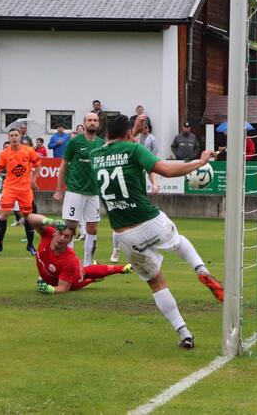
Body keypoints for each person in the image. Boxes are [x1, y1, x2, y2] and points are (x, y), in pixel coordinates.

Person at [90, 114, 224, 349]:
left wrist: (135, 131)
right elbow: (167, 170)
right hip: (148, 220)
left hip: (124, 235)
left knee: (156, 283)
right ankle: (201, 269)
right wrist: (200, 162)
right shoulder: (134, 151)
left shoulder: (95, 156)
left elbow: (115, 147)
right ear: (130, 133)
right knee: (178, 241)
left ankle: (184, 333)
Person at [27, 214, 133, 294]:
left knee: (84, 276)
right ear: (55, 231)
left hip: (73, 281)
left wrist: (49, 289)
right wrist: (50, 222)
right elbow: (30, 218)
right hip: (52, 277)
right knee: (86, 271)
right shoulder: (48, 233)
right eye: (60, 234)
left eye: (66, 237)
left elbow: (63, 287)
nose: (61, 238)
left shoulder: (69, 260)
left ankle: (120, 269)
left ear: (70, 240)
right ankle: (117, 268)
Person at [54, 112, 103, 266]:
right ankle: (70, 262)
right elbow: (63, 166)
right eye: (89, 120)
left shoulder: (102, 143)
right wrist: (59, 189)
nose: (92, 122)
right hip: (75, 191)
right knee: (70, 228)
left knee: (93, 228)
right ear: (84, 123)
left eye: (95, 120)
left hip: (93, 192)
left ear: (99, 123)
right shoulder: (74, 142)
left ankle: (87, 264)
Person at [0, 127, 41, 255]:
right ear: (8, 138)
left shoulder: (28, 150)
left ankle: (30, 246)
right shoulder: (4, 153)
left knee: (28, 217)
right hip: (9, 188)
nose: (14, 137)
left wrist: (33, 179)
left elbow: (38, 164)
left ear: (20, 136)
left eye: (16, 135)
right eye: (11, 135)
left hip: (25, 189)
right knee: (3, 215)